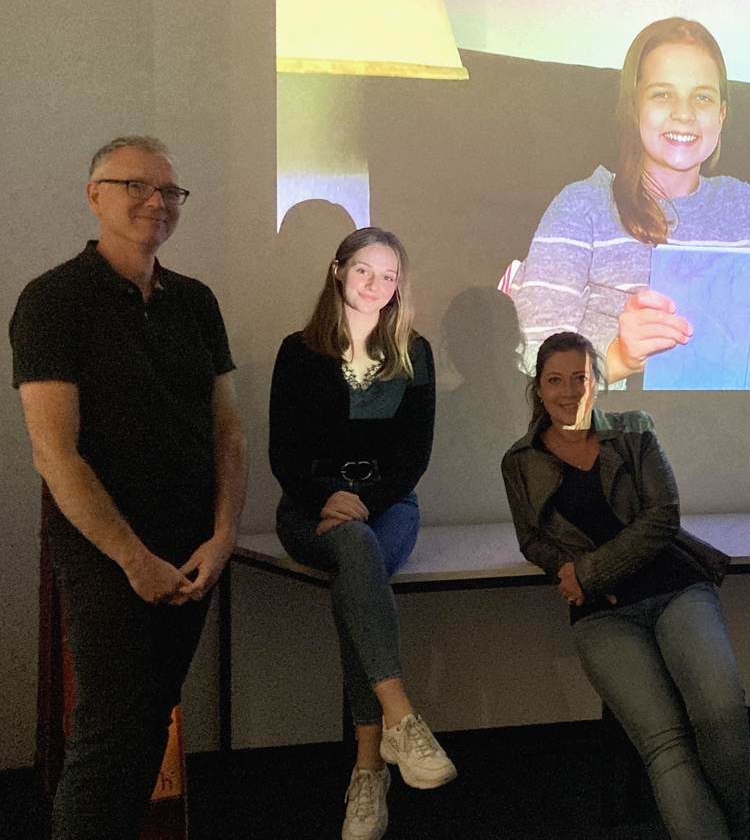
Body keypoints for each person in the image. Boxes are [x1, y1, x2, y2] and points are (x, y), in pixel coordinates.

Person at [11, 135, 247, 838]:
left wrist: (223, 535)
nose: (156, 202)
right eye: (136, 186)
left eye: (169, 191)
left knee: (148, 723)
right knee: (110, 732)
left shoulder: (195, 301)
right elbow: (55, 453)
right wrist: (132, 558)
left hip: (192, 549)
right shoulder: (53, 300)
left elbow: (227, 432)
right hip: (106, 551)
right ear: (95, 196)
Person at [501, 332, 750, 840]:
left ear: (597, 381)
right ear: (538, 388)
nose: (569, 391)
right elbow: (531, 540)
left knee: (722, 711)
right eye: (555, 380)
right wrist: (566, 570)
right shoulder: (519, 461)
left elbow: (663, 515)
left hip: (676, 588)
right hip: (602, 615)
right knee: (666, 744)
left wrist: (590, 573)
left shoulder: (636, 431)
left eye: (580, 378)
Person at [510, 16, 750, 382]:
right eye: (662, 94)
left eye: (702, 97)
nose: (684, 113)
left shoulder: (745, 207)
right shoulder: (582, 207)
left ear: (721, 115)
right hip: (628, 410)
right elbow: (536, 363)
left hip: (742, 406)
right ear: (635, 108)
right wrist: (621, 357)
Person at [269, 227, 455, 840]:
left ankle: (369, 769)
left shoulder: (413, 351)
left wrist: (363, 501)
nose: (377, 285)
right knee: (357, 552)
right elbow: (283, 455)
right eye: (364, 271)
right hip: (308, 504)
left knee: (358, 559)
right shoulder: (298, 352)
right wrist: (327, 497)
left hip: (389, 503)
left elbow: (414, 457)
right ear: (338, 271)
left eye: (389, 276)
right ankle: (400, 718)